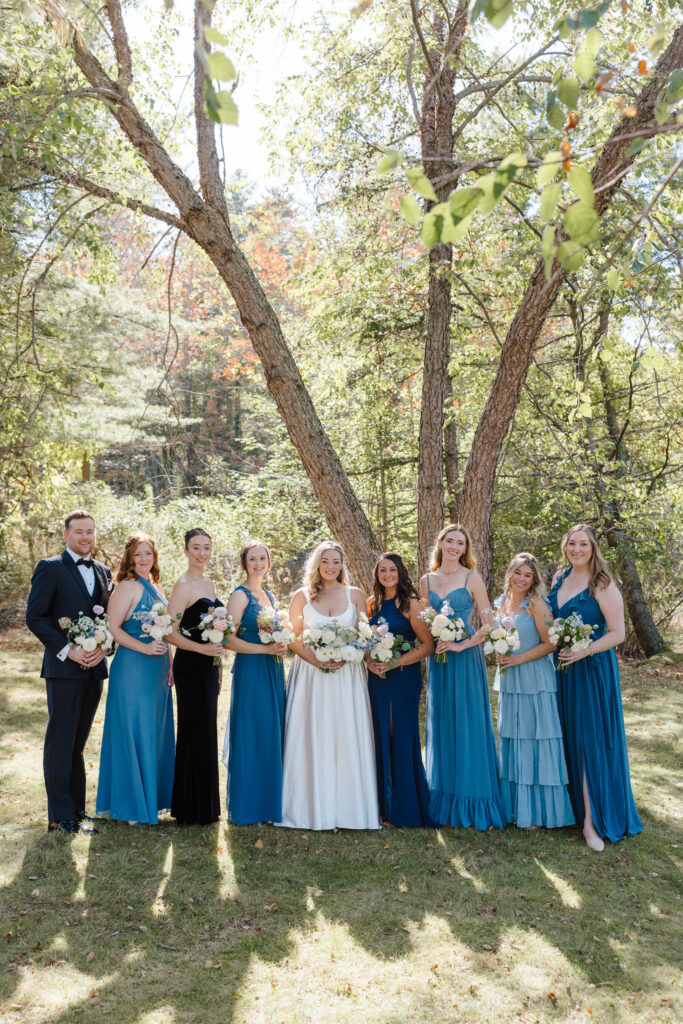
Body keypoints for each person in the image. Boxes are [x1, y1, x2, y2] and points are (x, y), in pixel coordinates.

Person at [549, 524, 643, 850]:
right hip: (562, 671)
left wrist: (584, 650)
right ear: (565, 547)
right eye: (572, 543)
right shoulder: (560, 578)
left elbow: (618, 633)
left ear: (593, 549)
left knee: (590, 741)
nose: (577, 549)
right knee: (568, 737)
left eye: (583, 545)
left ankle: (592, 822)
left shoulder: (601, 583)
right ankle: (572, 810)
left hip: (591, 670)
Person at [279, 541, 381, 830]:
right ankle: (307, 809)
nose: (331, 566)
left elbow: (365, 635)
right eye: (325, 561)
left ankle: (349, 811)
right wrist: (317, 660)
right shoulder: (301, 596)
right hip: (311, 676)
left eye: (336, 561)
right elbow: (294, 638)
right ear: (317, 564)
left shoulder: (356, 595)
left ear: (342, 564)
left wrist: (361, 655)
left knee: (346, 734)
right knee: (313, 734)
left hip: (348, 677)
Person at [26, 509, 112, 835]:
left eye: (90, 531)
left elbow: (108, 622)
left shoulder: (104, 572)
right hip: (63, 670)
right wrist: (67, 649)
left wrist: (104, 647)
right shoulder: (50, 568)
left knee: (78, 744)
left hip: (94, 671)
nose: (85, 537)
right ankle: (60, 818)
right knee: (60, 743)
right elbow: (35, 617)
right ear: (67, 535)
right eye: (79, 532)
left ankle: (77, 810)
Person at [419, 524, 506, 830]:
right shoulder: (426, 580)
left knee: (467, 721)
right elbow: (423, 621)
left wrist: (462, 645)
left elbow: (488, 623)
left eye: (460, 543)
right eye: (450, 541)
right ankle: (443, 796)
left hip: (465, 658)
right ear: (440, 543)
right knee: (443, 721)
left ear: (465, 548)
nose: (455, 547)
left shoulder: (472, 578)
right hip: (439, 659)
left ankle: (474, 797)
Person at [96, 533, 175, 827]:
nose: (144, 559)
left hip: (158, 670)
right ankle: (130, 807)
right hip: (132, 668)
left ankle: (150, 801)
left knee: (153, 731)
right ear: (130, 558)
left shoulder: (157, 586)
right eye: (138, 554)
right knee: (133, 731)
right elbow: (113, 628)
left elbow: (166, 631)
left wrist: (170, 662)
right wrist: (144, 647)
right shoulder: (126, 587)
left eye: (148, 554)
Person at [493, 553, 574, 830]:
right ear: (510, 573)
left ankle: (539, 813)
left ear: (534, 579)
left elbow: (550, 644)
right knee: (513, 737)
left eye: (527, 575)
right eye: (518, 573)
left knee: (534, 737)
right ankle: (514, 808)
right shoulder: (501, 603)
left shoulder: (536, 604)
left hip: (534, 679)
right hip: (510, 680)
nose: (521, 579)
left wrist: (517, 659)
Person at [366, 552, 435, 827]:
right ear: (377, 574)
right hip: (376, 678)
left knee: (400, 735)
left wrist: (395, 662)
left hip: (403, 677)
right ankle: (382, 806)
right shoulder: (371, 605)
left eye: (392, 570)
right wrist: (369, 661)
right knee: (379, 734)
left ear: (400, 572)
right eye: (382, 570)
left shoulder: (411, 604)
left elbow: (427, 645)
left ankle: (404, 808)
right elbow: (364, 641)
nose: (387, 575)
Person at [222, 540, 286, 825]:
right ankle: (251, 807)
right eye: (253, 559)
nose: (258, 563)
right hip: (252, 668)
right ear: (244, 563)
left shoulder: (268, 594)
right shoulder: (240, 595)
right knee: (254, 731)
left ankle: (270, 804)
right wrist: (264, 650)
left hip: (273, 668)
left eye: (263, 558)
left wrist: (280, 644)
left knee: (271, 731)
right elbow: (226, 638)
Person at [166, 528, 224, 826]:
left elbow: (214, 629)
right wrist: (202, 650)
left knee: (207, 733)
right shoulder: (183, 585)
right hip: (190, 665)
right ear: (186, 551)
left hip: (208, 665)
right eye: (196, 547)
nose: (202, 553)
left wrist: (217, 662)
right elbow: (169, 632)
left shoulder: (210, 582)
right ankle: (191, 810)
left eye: (206, 547)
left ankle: (207, 809)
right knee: (193, 729)